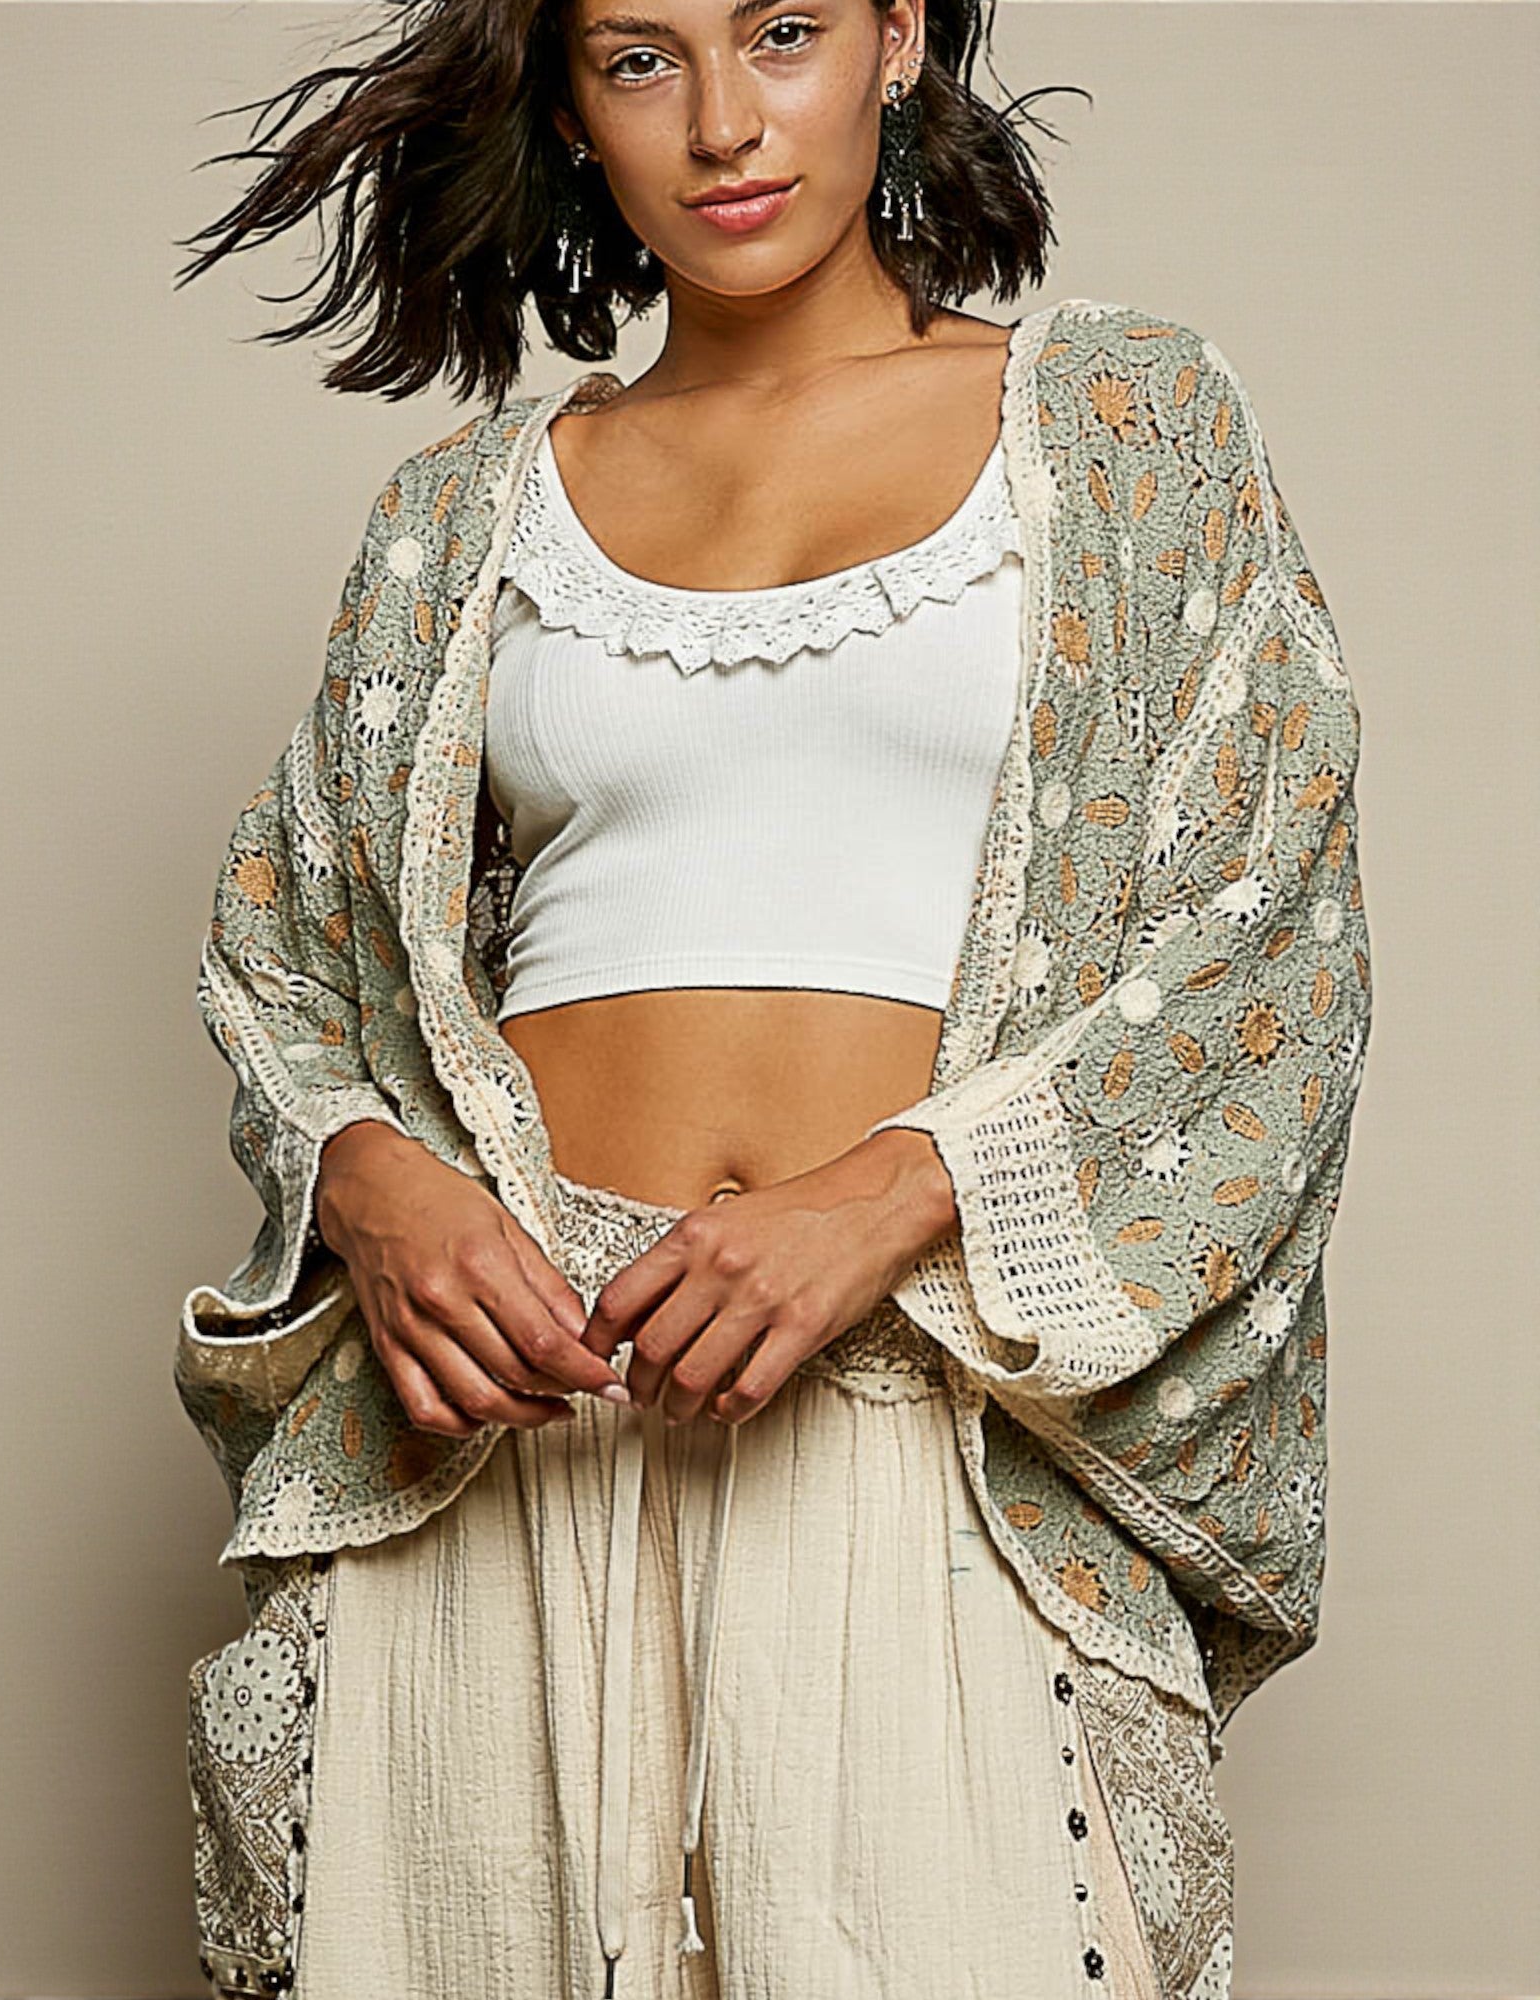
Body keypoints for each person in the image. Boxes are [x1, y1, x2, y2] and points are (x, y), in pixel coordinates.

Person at [173, 0, 1371, 1994]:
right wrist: (370, 1182)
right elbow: (293, 953)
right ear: (567, 101)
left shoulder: (1127, 424)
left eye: (783, 31)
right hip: (509, 1433)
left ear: (899, 38)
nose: (724, 121)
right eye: (639, 57)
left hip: (918, 1420)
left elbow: (1268, 937)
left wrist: (888, 1193)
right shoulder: (460, 514)